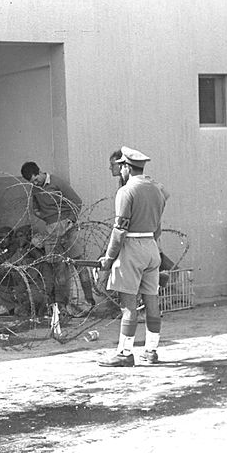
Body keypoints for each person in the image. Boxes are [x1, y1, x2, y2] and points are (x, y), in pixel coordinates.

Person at [98, 146, 168, 367]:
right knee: (151, 300)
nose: (119, 171)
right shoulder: (158, 189)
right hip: (151, 247)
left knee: (128, 305)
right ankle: (151, 351)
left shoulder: (126, 191)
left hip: (132, 248)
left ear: (126, 166)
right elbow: (158, 227)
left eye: (120, 167)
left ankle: (125, 353)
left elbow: (120, 230)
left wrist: (108, 260)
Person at [20, 161, 96, 313]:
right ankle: (61, 305)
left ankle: (90, 300)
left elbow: (76, 201)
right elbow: (34, 208)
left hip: (68, 226)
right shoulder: (35, 189)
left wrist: (70, 221)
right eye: (32, 182)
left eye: (36, 179)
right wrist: (46, 218)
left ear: (40, 172)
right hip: (51, 228)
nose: (35, 183)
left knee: (79, 263)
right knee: (58, 268)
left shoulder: (57, 182)